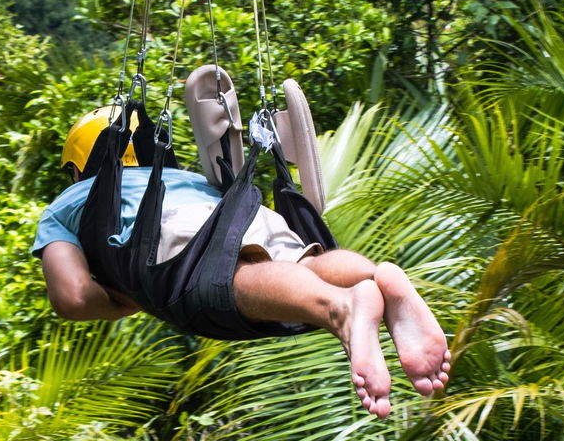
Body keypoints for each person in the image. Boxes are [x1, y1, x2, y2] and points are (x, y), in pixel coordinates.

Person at [32, 65, 451, 419]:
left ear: (79, 165)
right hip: (240, 211)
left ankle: (343, 308)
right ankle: (374, 278)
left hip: (167, 233)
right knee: (298, 266)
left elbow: (72, 297)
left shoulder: (69, 202)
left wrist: (130, 299)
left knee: (221, 287)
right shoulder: (191, 179)